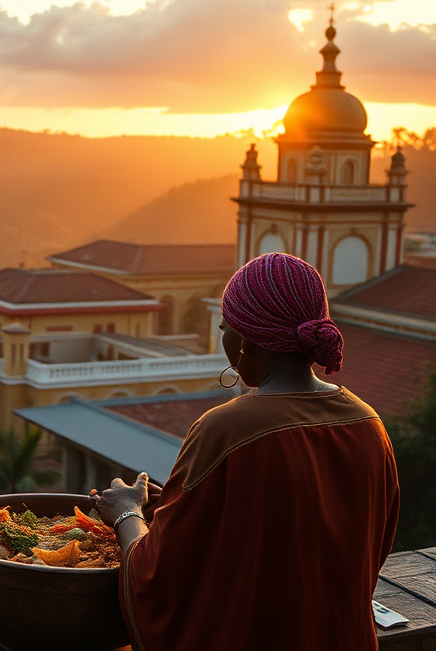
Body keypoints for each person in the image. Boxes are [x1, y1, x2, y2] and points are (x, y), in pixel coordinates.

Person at [92, 252, 399, 651]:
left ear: (245, 340)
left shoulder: (226, 429)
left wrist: (126, 513)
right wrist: (179, 506)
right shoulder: (369, 424)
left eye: (225, 328)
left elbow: (159, 578)